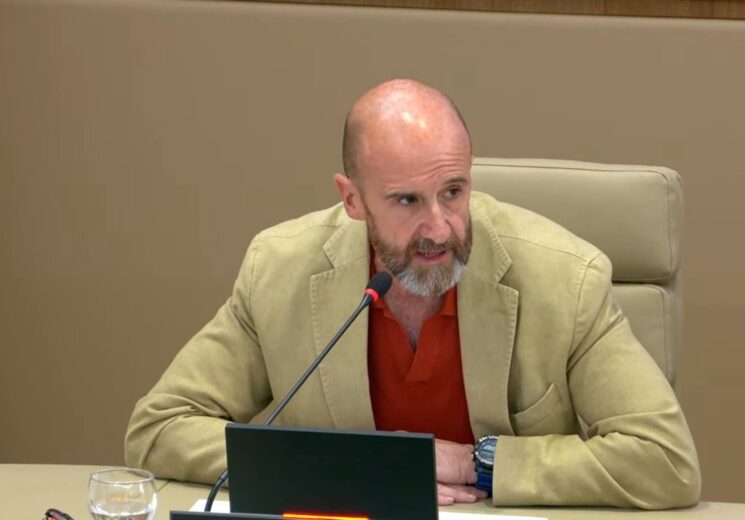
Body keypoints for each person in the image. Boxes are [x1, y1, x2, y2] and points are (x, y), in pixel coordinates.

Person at [125, 79, 700, 509]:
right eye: (406, 201)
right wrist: (360, 467)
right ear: (353, 200)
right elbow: (159, 429)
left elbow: (665, 459)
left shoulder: (565, 279)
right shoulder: (280, 269)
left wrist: (477, 464)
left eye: (453, 191)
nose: (440, 228)